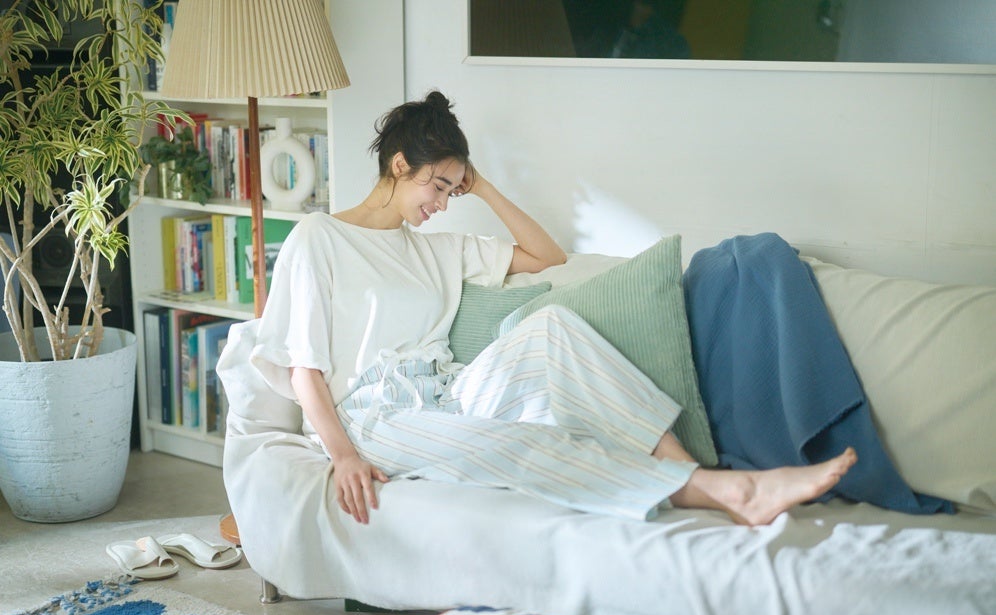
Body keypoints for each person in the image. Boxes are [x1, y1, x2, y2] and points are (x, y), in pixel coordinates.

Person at [251, 90, 856, 528]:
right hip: (372, 415)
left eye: (453, 190)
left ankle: (696, 474)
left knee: (553, 329)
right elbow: (304, 367)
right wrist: (344, 455)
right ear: (400, 165)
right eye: (438, 186)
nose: (443, 202)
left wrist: (482, 186)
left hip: (447, 390)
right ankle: (714, 494)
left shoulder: (435, 251)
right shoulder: (319, 238)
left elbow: (547, 256)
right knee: (508, 442)